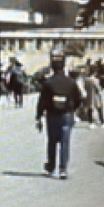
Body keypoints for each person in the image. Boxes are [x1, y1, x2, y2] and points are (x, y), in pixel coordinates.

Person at [35, 49, 82, 179]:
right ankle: (63, 169)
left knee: (52, 141)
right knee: (65, 142)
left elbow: (42, 101)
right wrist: (73, 109)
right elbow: (78, 98)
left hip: (52, 115)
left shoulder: (48, 83)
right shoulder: (71, 82)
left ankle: (51, 166)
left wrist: (38, 116)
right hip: (67, 114)